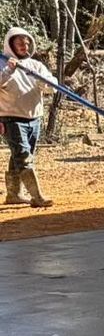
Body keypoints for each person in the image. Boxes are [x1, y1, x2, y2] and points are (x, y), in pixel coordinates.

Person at [0, 27, 55, 208]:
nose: (24, 46)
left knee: (21, 155)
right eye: (19, 43)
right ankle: (37, 197)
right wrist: (9, 70)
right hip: (11, 118)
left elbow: (51, 86)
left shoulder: (36, 65)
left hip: (34, 118)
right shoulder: (2, 64)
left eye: (26, 43)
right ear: (11, 45)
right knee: (23, 157)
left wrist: (44, 81)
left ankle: (13, 194)